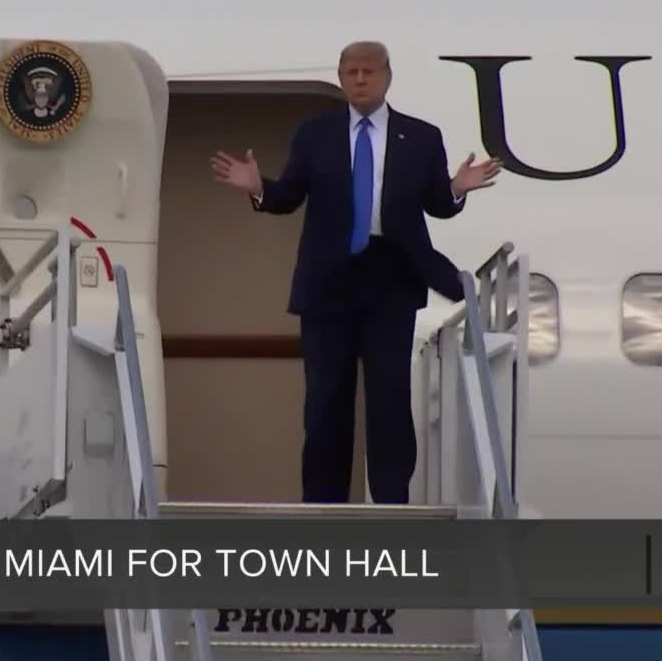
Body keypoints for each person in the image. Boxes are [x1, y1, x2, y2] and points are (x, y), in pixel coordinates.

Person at [210, 41, 501, 504]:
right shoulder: (315, 134)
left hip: (392, 277)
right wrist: (258, 187)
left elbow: (437, 205)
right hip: (330, 281)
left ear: (387, 76)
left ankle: (391, 504)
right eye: (350, 72)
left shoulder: (421, 136)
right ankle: (323, 508)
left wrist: (457, 188)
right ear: (342, 78)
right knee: (325, 404)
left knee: (389, 399)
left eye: (367, 71)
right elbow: (288, 197)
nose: (359, 80)